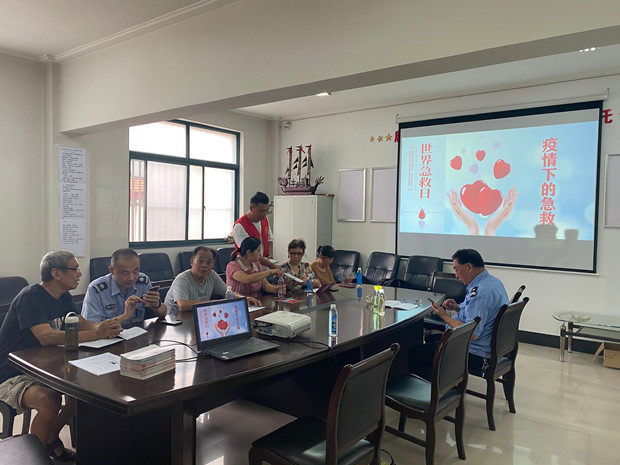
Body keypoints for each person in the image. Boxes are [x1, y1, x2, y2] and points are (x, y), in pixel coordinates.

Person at [0, 251, 122, 461]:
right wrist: (96, 334)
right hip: (12, 371)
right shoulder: (30, 297)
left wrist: (103, 326)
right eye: (75, 269)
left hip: (42, 365)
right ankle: (34, 458)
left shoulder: (63, 295)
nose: (79, 274)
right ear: (57, 273)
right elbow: (46, 337)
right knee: (49, 399)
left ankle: (50, 438)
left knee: (82, 395)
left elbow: (79, 322)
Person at [411, 248, 509, 378]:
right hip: (486, 345)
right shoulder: (492, 282)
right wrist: (457, 307)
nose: (456, 275)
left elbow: (472, 333)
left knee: (415, 353)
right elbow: (477, 314)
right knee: (431, 341)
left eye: (456, 269)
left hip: (475, 352)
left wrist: (443, 316)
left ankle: (436, 388)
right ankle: (445, 379)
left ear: (469, 267)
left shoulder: (481, 293)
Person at [81, 248, 167, 328]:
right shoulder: (96, 290)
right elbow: (90, 327)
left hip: (136, 334)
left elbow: (163, 314)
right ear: (112, 271)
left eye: (135, 271)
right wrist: (124, 316)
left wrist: (157, 305)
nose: (131, 278)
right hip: (108, 337)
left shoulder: (143, 282)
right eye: (125, 273)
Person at [165, 246, 261, 314]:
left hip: (196, 315)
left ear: (213, 264)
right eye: (200, 261)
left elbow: (227, 293)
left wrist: (243, 298)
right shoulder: (182, 279)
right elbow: (182, 306)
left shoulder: (212, 275)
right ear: (192, 261)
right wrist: (214, 303)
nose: (204, 265)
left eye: (208, 262)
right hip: (173, 320)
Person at [232, 191, 279, 270]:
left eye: (266, 210)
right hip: (247, 267)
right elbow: (250, 252)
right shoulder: (240, 226)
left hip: (264, 264)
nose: (264, 214)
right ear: (251, 208)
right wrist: (272, 266)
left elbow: (269, 239)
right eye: (261, 211)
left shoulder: (264, 219)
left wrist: (270, 255)